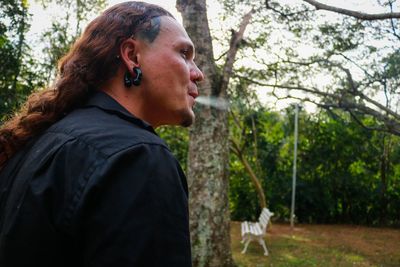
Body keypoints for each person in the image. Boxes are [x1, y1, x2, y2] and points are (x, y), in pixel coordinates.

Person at [0, 2, 204, 266]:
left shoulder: (32, 145)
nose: (198, 74)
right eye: (184, 54)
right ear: (132, 55)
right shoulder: (138, 158)